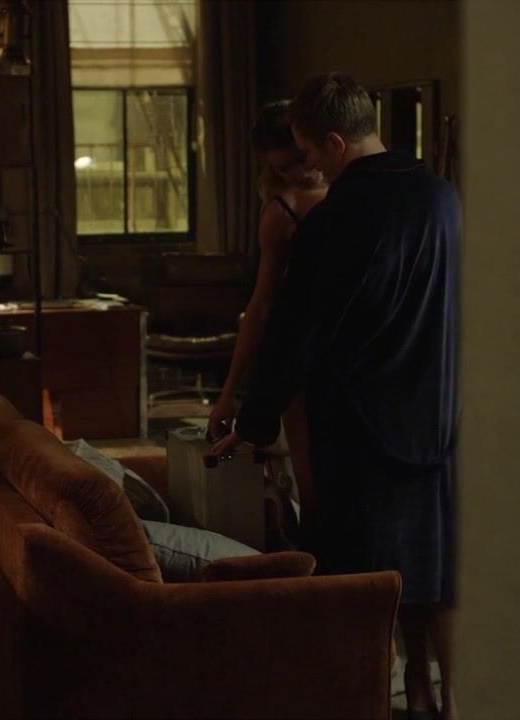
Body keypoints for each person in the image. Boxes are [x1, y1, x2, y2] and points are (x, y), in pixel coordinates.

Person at [212, 73, 461, 720]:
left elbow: (295, 334)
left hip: (360, 429)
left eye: (310, 151)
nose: (310, 165)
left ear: (335, 141)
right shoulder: (442, 198)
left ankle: (369, 700)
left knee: (361, 584)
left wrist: (254, 418)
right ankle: (436, 697)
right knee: (434, 573)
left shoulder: (338, 218)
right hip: (436, 417)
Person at [207, 100, 328, 534]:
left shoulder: (351, 190)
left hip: (357, 358)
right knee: (313, 489)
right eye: (283, 169)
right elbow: (261, 304)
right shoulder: (282, 211)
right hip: (302, 360)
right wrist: (229, 393)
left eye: (299, 160)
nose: (297, 173)